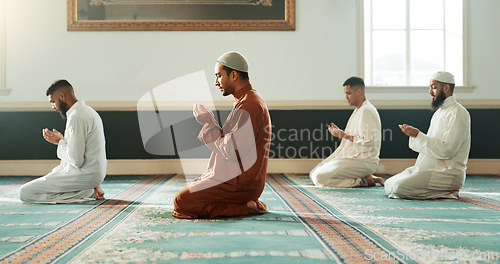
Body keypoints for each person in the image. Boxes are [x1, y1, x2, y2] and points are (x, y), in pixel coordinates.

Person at [172, 51, 271, 218]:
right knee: (192, 189)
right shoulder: (246, 100)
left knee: (182, 201)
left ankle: (245, 208)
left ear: (233, 75)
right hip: (236, 179)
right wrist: (209, 121)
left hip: (239, 184)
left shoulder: (250, 105)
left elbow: (231, 151)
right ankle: (244, 204)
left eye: (218, 76)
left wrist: (209, 123)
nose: (216, 82)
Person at [385, 71, 471, 199]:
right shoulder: (439, 113)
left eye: (434, 87)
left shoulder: (459, 113)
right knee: (389, 184)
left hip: (448, 172)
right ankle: (444, 192)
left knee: (398, 188)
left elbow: (447, 151)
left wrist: (419, 135)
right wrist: (415, 136)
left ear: (446, 88)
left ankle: (448, 192)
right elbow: (432, 143)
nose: (430, 91)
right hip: (430, 169)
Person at [19, 80, 107, 203]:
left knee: (25, 192)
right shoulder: (85, 111)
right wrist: (63, 141)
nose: (53, 106)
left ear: (61, 96)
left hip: (85, 175)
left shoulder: (77, 117)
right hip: (91, 174)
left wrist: (59, 142)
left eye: (53, 102)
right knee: (51, 177)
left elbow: (76, 160)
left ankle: (85, 192)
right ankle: (86, 189)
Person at [309, 77, 383, 187]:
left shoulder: (366, 111)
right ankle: (363, 178)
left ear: (359, 91)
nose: (346, 97)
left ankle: (363, 181)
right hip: (352, 157)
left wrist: (343, 135)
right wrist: (341, 133)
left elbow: (370, 142)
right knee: (313, 174)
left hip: (363, 161)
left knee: (319, 177)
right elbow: (354, 136)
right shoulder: (359, 110)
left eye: (348, 93)